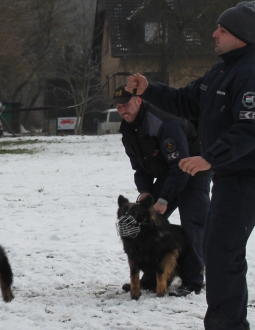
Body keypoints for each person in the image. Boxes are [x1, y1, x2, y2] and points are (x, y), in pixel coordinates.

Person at [127, 2, 255, 329]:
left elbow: (249, 128)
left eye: (223, 30)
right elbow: (186, 100)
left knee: (222, 255)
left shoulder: (250, 72)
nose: (214, 34)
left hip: (245, 176)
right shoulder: (221, 70)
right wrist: (150, 89)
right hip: (229, 175)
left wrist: (209, 157)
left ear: (243, 35)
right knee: (221, 253)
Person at [113, 86, 211, 297]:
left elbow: (181, 166)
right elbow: (139, 165)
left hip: (193, 170)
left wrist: (164, 199)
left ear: (138, 101)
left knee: (193, 223)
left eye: (126, 105)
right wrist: (146, 193)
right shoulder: (128, 129)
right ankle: (150, 277)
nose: (122, 111)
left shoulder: (165, 123)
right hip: (170, 173)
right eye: (118, 107)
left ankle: (192, 281)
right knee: (148, 221)